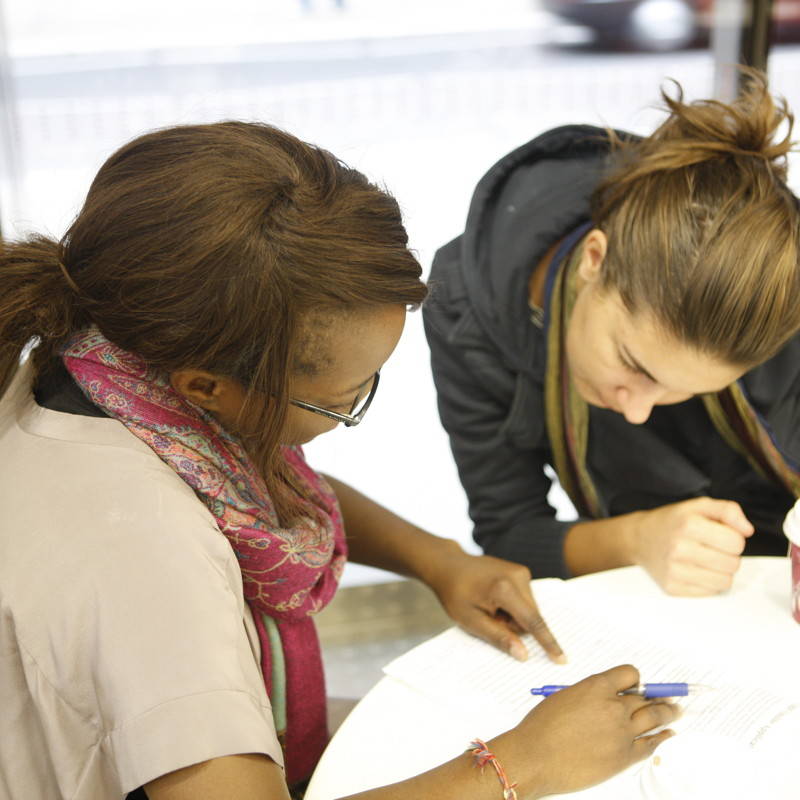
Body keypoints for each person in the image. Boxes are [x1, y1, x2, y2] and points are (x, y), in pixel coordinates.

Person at [0, 122, 678, 799]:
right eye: (343, 401)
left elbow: (249, 489)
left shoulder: (105, 362)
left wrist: (437, 560)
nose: (354, 408)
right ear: (206, 386)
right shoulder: (148, 557)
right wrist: (523, 764)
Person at [423, 73, 800, 598]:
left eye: (686, 389)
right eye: (633, 364)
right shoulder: (466, 304)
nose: (636, 410)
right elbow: (509, 532)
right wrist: (637, 539)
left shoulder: (777, 288)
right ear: (595, 259)